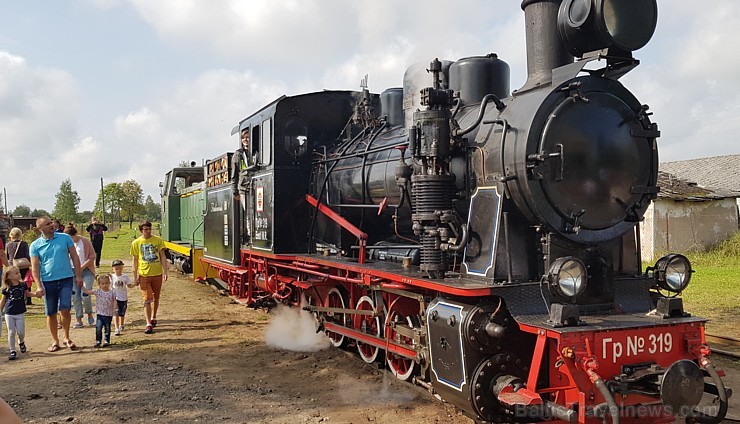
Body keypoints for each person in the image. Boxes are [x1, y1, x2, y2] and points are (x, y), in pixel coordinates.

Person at [29, 216, 83, 352]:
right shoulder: (35, 245)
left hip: (66, 279)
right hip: (48, 281)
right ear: (40, 229)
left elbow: (75, 257)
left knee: (65, 309)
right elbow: (35, 267)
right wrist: (39, 285)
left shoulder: (65, 238)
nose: (51, 225)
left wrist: (78, 276)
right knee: (51, 312)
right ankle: (55, 341)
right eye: (47, 224)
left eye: (51, 222)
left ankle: (66, 337)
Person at [130, 220, 168, 334]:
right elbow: (135, 261)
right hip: (144, 275)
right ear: (141, 230)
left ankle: (154, 317)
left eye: (149, 229)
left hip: (157, 274)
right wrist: (135, 276)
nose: (148, 231)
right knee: (147, 299)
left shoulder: (158, 240)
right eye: (145, 229)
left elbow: (162, 256)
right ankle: (148, 324)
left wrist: (165, 271)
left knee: (156, 297)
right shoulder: (136, 243)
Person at [1, 265, 42, 360]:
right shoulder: (6, 288)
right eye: (16, 273)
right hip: (9, 313)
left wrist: (36, 294)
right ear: (9, 276)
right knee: (11, 332)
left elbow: (27, 294)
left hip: (20, 313)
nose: (19, 274)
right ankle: (12, 351)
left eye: (19, 272)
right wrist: (0, 310)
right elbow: (3, 300)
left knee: (21, 332)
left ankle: (21, 341)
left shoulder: (23, 285)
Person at [64, 224, 96, 327]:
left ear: (74, 235)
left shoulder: (85, 241)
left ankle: (90, 314)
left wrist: (81, 267)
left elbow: (92, 256)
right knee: (75, 296)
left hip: (86, 271)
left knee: (85, 294)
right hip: (72, 272)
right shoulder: (65, 244)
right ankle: (79, 319)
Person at [81, 274, 116, 347]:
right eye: (103, 284)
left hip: (108, 314)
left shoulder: (112, 292)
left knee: (107, 328)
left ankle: (107, 341)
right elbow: (88, 292)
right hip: (100, 314)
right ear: (99, 284)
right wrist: (81, 286)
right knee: (98, 328)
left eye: (106, 283)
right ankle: (98, 341)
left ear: (109, 283)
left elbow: (115, 300)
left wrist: (114, 308)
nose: (105, 285)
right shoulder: (98, 292)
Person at [4, 228, 30, 304]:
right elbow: (27, 255)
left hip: (12, 266)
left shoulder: (8, 244)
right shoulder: (24, 244)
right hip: (23, 265)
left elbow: (7, 256)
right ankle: (28, 299)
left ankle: (14, 296)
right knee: (25, 281)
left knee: (13, 282)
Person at [111, 259, 134, 336]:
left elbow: (129, 285)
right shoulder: (111, 277)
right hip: (115, 298)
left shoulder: (125, 277)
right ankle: (116, 328)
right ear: (113, 269)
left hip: (123, 298)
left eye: (120, 268)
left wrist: (135, 283)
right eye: (116, 269)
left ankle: (122, 324)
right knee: (115, 312)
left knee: (122, 313)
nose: (118, 270)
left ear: (122, 268)